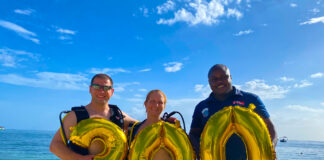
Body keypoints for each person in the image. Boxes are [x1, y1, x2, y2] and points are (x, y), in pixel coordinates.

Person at [189, 64, 277, 160]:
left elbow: (270, 128)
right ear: (209, 82)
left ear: (230, 77)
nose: (219, 81)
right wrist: (201, 153)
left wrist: (269, 149)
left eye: (224, 77)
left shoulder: (251, 99)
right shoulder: (201, 107)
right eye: (214, 79)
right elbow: (193, 134)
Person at [50, 73, 137, 160]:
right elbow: (55, 145)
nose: (101, 91)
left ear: (112, 92)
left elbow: (142, 127)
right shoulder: (76, 116)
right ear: (90, 89)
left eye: (106, 88)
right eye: (96, 87)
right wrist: (79, 158)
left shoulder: (119, 115)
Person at [128, 89, 173, 160]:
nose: (156, 105)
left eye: (160, 102)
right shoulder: (134, 128)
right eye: (152, 101)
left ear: (164, 106)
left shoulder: (171, 128)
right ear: (145, 103)